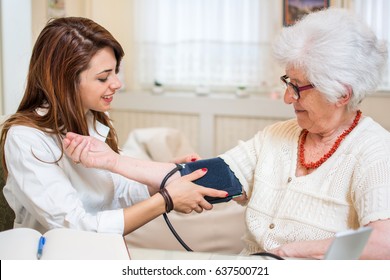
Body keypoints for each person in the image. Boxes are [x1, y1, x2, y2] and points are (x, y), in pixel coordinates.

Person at [62, 8, 390, 259]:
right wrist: (110, 160)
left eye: (298, 87)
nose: (288, 97)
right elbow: (204, 175)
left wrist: (293, 253)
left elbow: (383, 241)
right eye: (286, 82)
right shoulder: (279, 136)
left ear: (341, 93)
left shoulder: (373, 150)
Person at [0, 17, 228, 236]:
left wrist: (163, 174)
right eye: (103, 78)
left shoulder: (93, 119)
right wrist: (166, 199)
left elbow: (116, 193)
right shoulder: (25, 139)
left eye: (116, 72)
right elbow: (77, 228)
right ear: (64, 81)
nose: (117, 84)